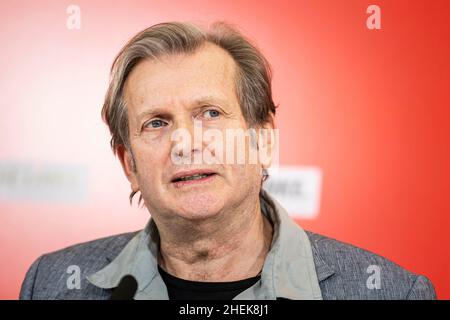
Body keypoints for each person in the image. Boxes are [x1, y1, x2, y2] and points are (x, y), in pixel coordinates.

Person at [20, 21, 436, 300]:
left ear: (264, 140)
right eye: (157, 123)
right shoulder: (53, 284)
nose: (185, 143)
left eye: (210, 114)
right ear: (129, 164)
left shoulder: (390, 291)